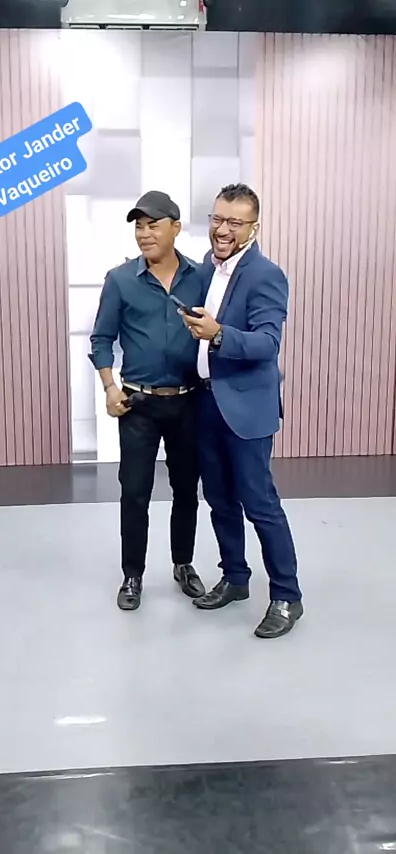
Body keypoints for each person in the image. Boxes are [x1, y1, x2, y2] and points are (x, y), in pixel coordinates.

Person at [182, 183, 303, 639]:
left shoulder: (266, 274)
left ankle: (287, 596)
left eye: (234, 222)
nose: (222, 229)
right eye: (217, 219)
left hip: (247, 409)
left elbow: (267, 343)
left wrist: (217, 334)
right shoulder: (207, 269)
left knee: (259, 503)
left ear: (254, 227)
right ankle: (235, 577)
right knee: (218, 499)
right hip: (206, 402)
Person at [89, 190, 205, 611]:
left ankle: (183, 563)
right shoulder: (120, 279)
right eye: (139, 226)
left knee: (186, 490)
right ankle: (132, 575)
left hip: (189, 402)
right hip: (138, 404)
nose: (144, 234)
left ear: (176, 227)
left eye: (153, 225)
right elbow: (101, 339)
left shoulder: (202, 277)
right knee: (134, 492)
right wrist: (109, 387)